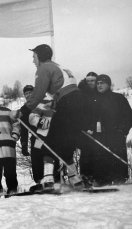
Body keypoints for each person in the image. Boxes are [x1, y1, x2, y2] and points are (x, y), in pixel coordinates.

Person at [19, 44, 88, 189]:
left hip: (68, 103)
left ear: (40, 56)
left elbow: (37, 94)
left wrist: (22, 111)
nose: (33, 61)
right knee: (65, 142)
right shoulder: (59, 66)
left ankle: (49, 179)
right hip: (79, 103)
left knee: (48, 138)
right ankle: (74, 178)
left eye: (34, 57)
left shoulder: (43, 68)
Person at [83, 74, 132, 185]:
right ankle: (102, 181)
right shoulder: (93, 101)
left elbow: (128, 116)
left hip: (116, 136)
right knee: (101, 160)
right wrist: (90, 128)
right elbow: (89, 117)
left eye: (102, 83)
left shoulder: (118, 98)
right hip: (99, 136)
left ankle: (120, 179)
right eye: (98, 83)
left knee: (117, 160)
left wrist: (123, 131)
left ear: (108, 84)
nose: (99, 85)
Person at [20, 85, 58, 184]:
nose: (28, 95)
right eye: (26, 93)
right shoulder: (24, 109)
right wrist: (24, 144)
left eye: (30, 93)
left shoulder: (43, 103)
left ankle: (55, 180)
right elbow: (23, 129)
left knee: (51, 157)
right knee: (37, 157)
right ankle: (39, 181)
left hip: (49, 136)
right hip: (37, 139)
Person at [78, 72, 99, 178]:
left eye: (92, 80)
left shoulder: (100, 92)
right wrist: (86, 127)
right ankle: (85, 178)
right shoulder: (81, 93)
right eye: (88, 81)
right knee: (86, 153)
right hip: (85, 130)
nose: (90, 83)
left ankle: (98, 178)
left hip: (99, 129)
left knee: (98, 154)